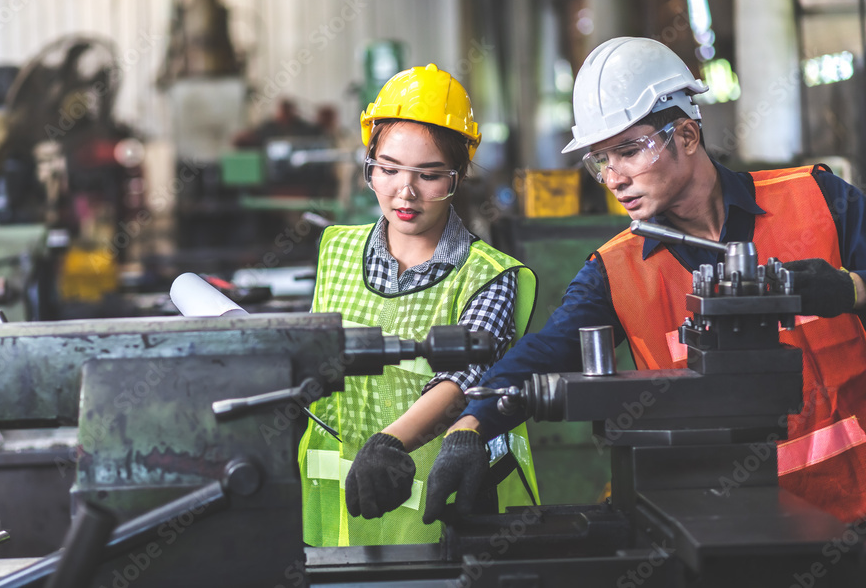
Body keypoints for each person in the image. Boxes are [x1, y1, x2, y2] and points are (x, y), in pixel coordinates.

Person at [417, 36, 866, 526]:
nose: (614, 178)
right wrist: (471, 427)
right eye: (601, 160)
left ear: (687, 136)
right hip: (726, 535)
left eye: (628, 151)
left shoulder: (820, 199)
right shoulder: (615, 272)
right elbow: (546, 351)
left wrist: (852, 290)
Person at [298, 63, 540, 547]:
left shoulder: (488, 275)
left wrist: (388, 444)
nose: (404, 192)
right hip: (335, 525)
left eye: (429, 176)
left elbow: (464, 377)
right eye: (386, 170)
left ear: (459, 175)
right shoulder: (336, 250)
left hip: (447, 521)